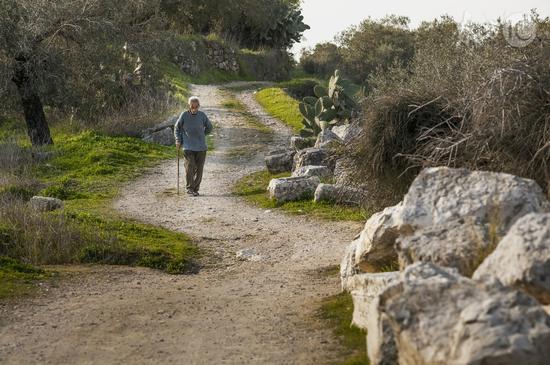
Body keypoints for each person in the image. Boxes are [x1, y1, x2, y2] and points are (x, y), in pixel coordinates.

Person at [174, 96, 213, 196]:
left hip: (201, 147)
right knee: (189, 167)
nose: (194, 109)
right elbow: (177, 128)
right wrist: (178, 140)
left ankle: (196, 189)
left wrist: (202, 134)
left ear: (199, 106)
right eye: (192, 107)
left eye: (196, 107)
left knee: (199, 169)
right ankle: (190, 188)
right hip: (188, 146)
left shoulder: (202, 115)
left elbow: (209, 127)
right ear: (189, 106)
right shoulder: (184, 115)